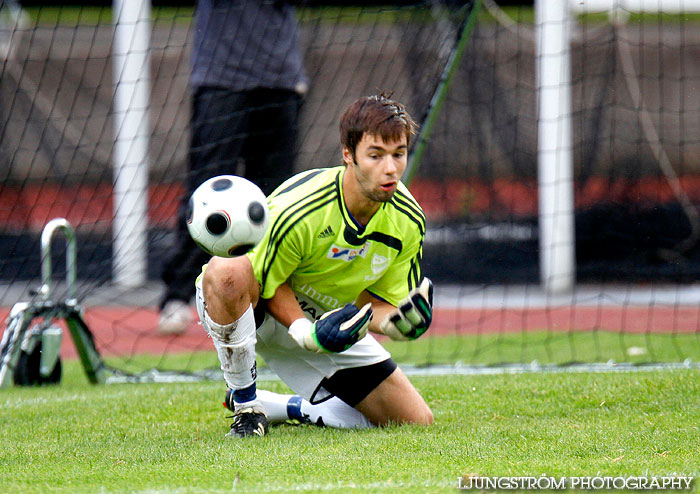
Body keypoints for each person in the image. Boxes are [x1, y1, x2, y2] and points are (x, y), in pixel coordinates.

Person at [197, 93, 435, 438]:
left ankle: (286, 407)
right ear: (348, 155)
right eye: (376, 155)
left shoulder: (409, 221)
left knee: (413, 420)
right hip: (256, 309)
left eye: (399, 154)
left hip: (326, 325)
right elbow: (263, 280)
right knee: (226, 271)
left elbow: (379, 301)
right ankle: (247, 406)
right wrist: (303, 330)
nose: (390, 168)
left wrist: (394, 323)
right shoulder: (302, 208)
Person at [158, 0, 307, 334]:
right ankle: (178, 295)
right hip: (221, 76)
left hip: (280, 78)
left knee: (277, 199)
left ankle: (270, 301)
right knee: (205, 190)